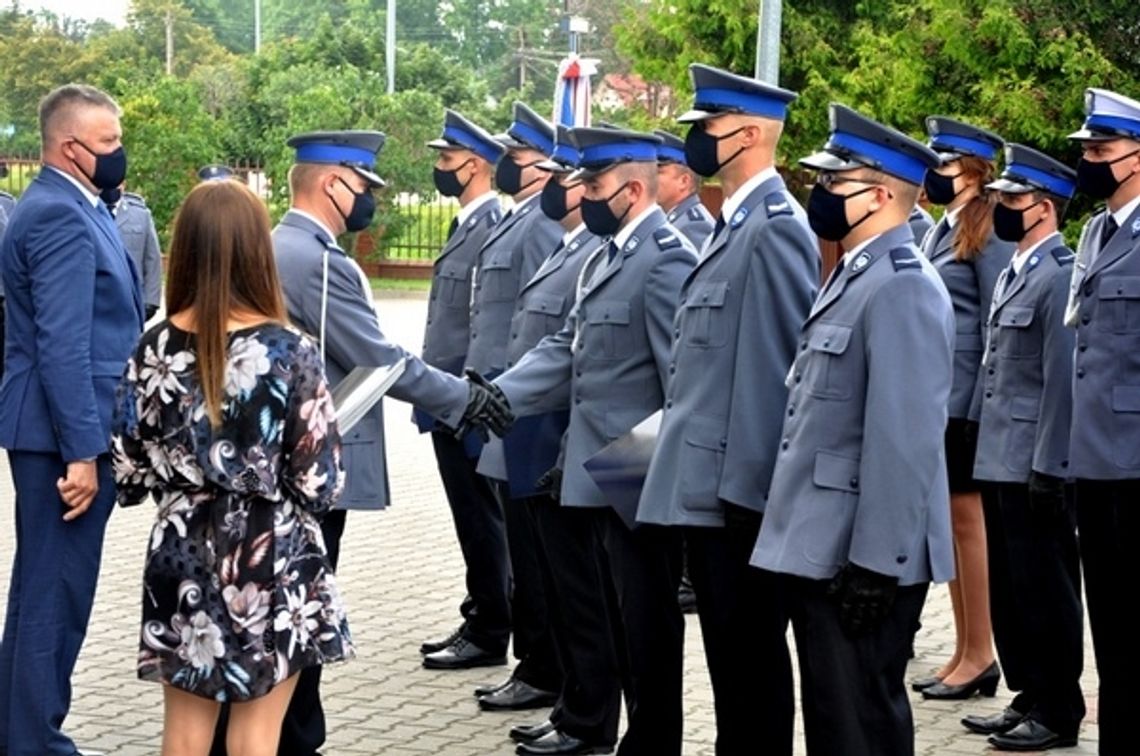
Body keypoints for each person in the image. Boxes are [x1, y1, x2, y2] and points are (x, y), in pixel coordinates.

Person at [210, 130, 510, 756]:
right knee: (296, 619)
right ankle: (292, 740)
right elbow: (379, 359)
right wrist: (464, 399)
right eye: (364, 187)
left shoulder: (281, 247)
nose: (369, 199)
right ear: (332, 184)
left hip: (276, 466)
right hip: (307, 468)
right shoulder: (314, 260)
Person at [109, 178, 349, 756]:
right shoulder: (291, 350)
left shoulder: (151, 349)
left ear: (184, 248)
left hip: (178, 551)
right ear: (256, 250)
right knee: (255, 738)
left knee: (185, 735)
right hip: (271, 551)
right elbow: (320, 481)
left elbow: (127, 466)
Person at [751, 103, 954, 756]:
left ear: (875, 195)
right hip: (824, 545)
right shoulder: (855, 274)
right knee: (838, 724)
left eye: (834, 183)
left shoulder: (901, 286)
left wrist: (877, 563)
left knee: (859, 725)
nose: (819, 192)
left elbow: (905, 441)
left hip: (858, 556)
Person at [495, 126, 696, 756]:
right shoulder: (608, 257)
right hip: (597, 473)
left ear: (634, 189)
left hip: (637, 479)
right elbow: (569, 353)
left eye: (596, 185)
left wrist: (630, 479)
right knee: (613, 618)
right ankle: (609, 730)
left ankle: (654, 740)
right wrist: (494, 396)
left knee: (647, 625)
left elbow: (678, 390)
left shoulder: (667, 259)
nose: (584, 196)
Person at [636, 63, 819, 756]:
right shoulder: (731, 224)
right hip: (711, 489)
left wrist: (757, 498)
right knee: (731, 664)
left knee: (750, 666)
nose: (695, 140)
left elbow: (778, 372)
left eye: (705, 127)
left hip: (740, 497)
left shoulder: (773, 229)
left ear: (745, 134)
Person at [0, 83, 144, 756]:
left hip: (57, 428)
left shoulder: (74, 204)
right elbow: (64, 343)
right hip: (63, 437)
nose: (120, 154)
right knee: (55, 596)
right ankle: (35, 742)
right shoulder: (59, 213)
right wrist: (83, 453)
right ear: (70, 147)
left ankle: (20, 732)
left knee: (41, 591)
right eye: (109, 143)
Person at [420, 103, 562, 672]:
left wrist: (497, 396)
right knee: (481, 523)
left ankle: (502, 632)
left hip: (495, 402)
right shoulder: (504, 221)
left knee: (496, 528)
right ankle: (491, 620)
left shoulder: (535, 226)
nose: (508, 166)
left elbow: (536, 321)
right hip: (466, 396)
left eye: (517, 158)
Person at [960, 144, 1084, 752]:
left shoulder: (1058, 274)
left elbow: (1061, 378)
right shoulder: (1017, 267)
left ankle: (1060, 707)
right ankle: (1029, 692)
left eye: (1013, 199)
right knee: (1011, 588)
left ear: (1044, 207)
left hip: (1033, 456)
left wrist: (1050, 465)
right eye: (1001, 196)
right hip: (999, 452)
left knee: (1045, 587)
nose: (1001, 207)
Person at [474, 125, 602, 714]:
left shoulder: (587, 249)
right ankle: (551, 677)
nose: (559, 185)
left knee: (566, 583)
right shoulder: (567, 245)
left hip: (553, 433)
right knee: (540, 570)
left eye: (572, 176)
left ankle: (559, 682)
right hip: (525, 425)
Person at [914, 116, 1012, 701]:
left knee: (967, 527)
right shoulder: (938, 229)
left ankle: (982, 653)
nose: (937, 174)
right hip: (937, 399)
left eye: (947, 165)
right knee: (952, 531)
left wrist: (980, 409)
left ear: (975, 173)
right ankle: (963, 649)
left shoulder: (991, 227)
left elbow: (998, 324)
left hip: (965, 404)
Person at [1064, 86, 1140, 756]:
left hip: (1136, 461)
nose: (1090, 160)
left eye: (1103, 149)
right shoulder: (1095, 231)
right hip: (1093, 456)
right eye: (1086, 149)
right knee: (1111, 626)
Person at [102, 184, 163, 320]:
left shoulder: (140, 215)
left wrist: (151, 302)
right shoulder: (88, 210)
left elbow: (152, 258)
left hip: (132, 301)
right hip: (99, 302)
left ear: (124, 182)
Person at [654, 129, 715, 250]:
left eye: (658, 172)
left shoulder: (694, 226)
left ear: (684, 181)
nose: (649, 179)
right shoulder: (677, 218)